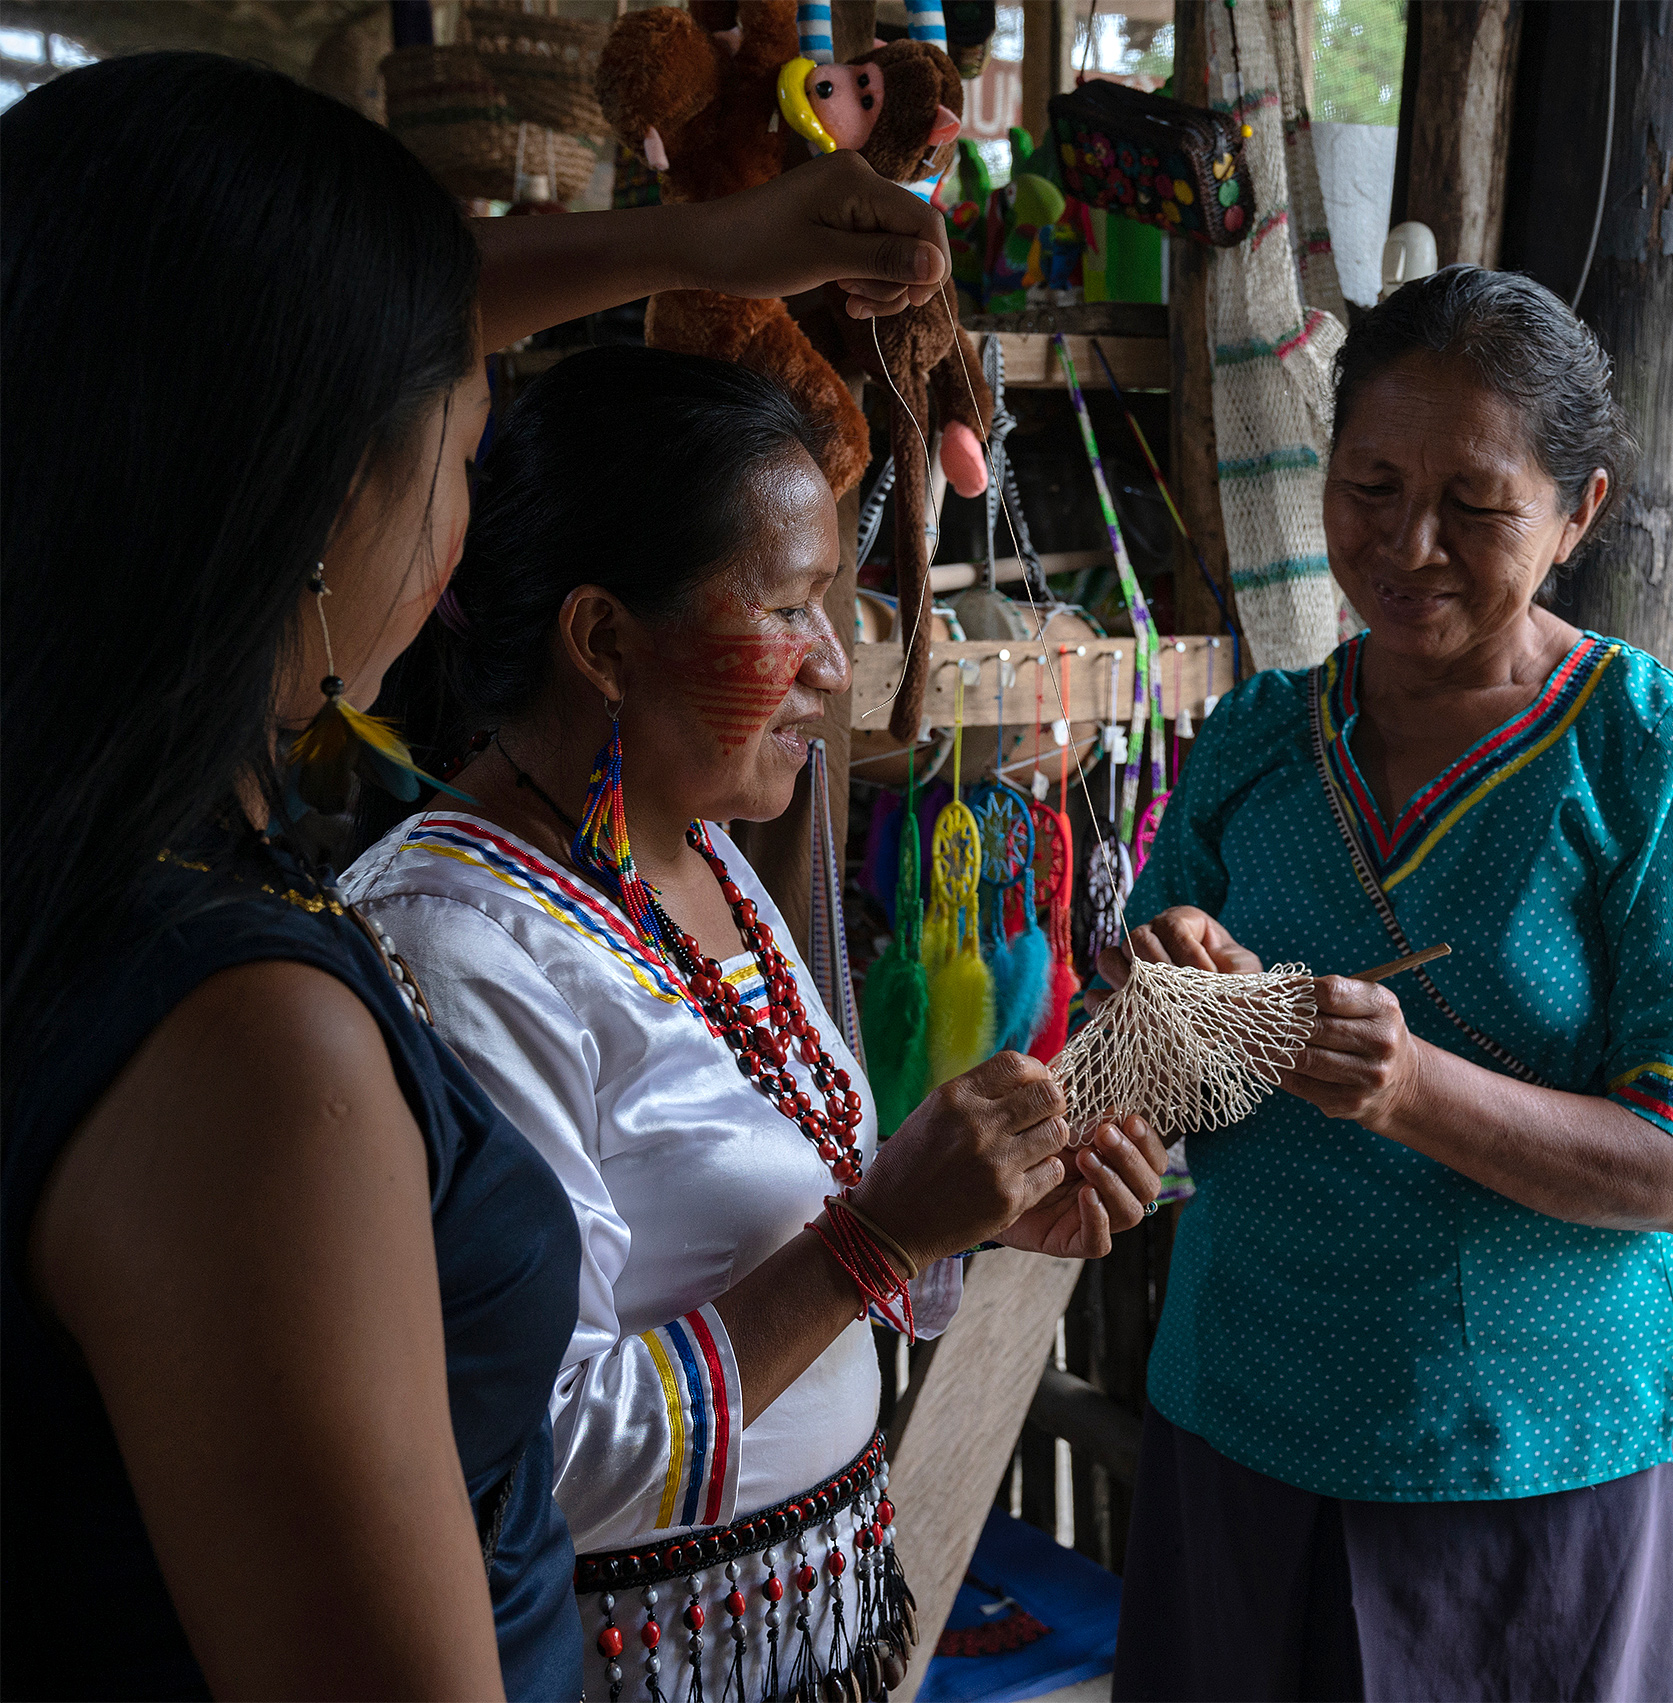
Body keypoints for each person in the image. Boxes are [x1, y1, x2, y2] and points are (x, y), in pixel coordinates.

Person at [2, 51, 961, 1699]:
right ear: (306, 495)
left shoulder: (94, 881)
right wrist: (879, 1240)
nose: (461, 522)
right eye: (453, 441)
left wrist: (706, 245)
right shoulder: (252, 1044)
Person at [344, 348, 1168, 1702]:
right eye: (790, 607)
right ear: (605, 639)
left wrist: (965, 1213)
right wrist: (881, 1232)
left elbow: (776, 1219)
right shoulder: (462, 948)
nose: (838, 669)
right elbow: (539, 1458)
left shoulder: (707, 861)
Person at [1102, 266, 1673, 1701]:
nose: (1409, 545)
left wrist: (1410, 1088)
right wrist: (1171, 993)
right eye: (1371, 487)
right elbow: (1142, 1080)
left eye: (1476, 504)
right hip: (1246, 1407)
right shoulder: (1261, 738)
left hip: (1529, 1453)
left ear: (1578, 511)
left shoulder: (1646, 754)